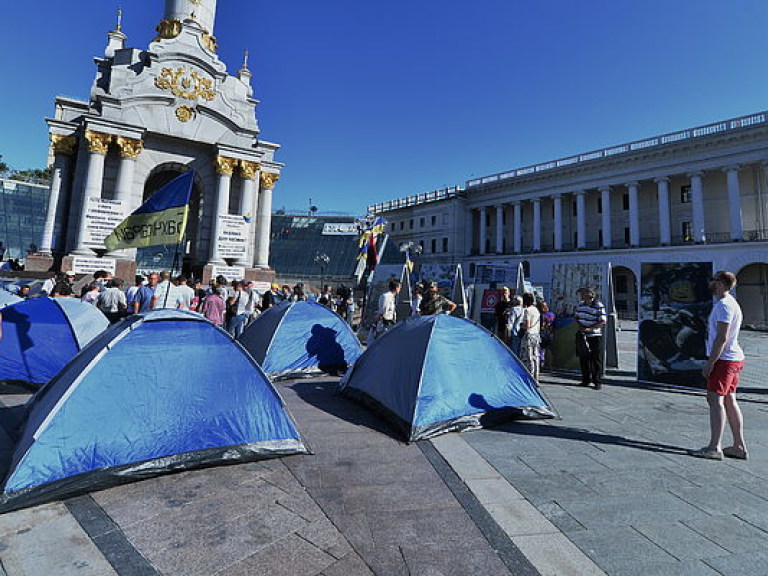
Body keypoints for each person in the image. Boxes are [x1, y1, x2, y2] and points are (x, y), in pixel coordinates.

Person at [689, 271, 747, 460]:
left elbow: (721, 338)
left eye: (713, 280)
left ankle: (715, 447)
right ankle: (739, 445)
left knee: (715, 400)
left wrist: (710, 364)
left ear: (721, 283)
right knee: (729, 399)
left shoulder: (723, 306)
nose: (710, 283)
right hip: (734, 358)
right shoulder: (730, 303)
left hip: (724, 360)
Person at [575, 288, 607, 389]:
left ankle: (597, 381)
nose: (583, 297)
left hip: (594, 335)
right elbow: (576, 316)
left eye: (585, 295)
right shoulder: (580, 305)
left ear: (591, 296)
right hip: (582, 334)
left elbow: (603, 320)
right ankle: (585, 379)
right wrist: (580, 325)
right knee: (583, 358)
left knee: (595, 358)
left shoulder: (598, 305)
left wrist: (591, 328)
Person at [519, 293, 541, 383]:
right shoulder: (536, 310)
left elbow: (527, 325)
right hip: (536, 335)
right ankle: (536, 377)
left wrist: (521, 325)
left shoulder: (527, 310)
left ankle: (530, 377)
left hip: (529, 335)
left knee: (528, 357)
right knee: (536, 357)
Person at [538, 300, 556, 370]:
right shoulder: (552, 315)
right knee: (549, 350)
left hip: (542, 333)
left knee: (541, 349)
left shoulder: (541, 315)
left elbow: (541, 325)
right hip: (550, 333)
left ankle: (541, 364)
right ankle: (550, 366)